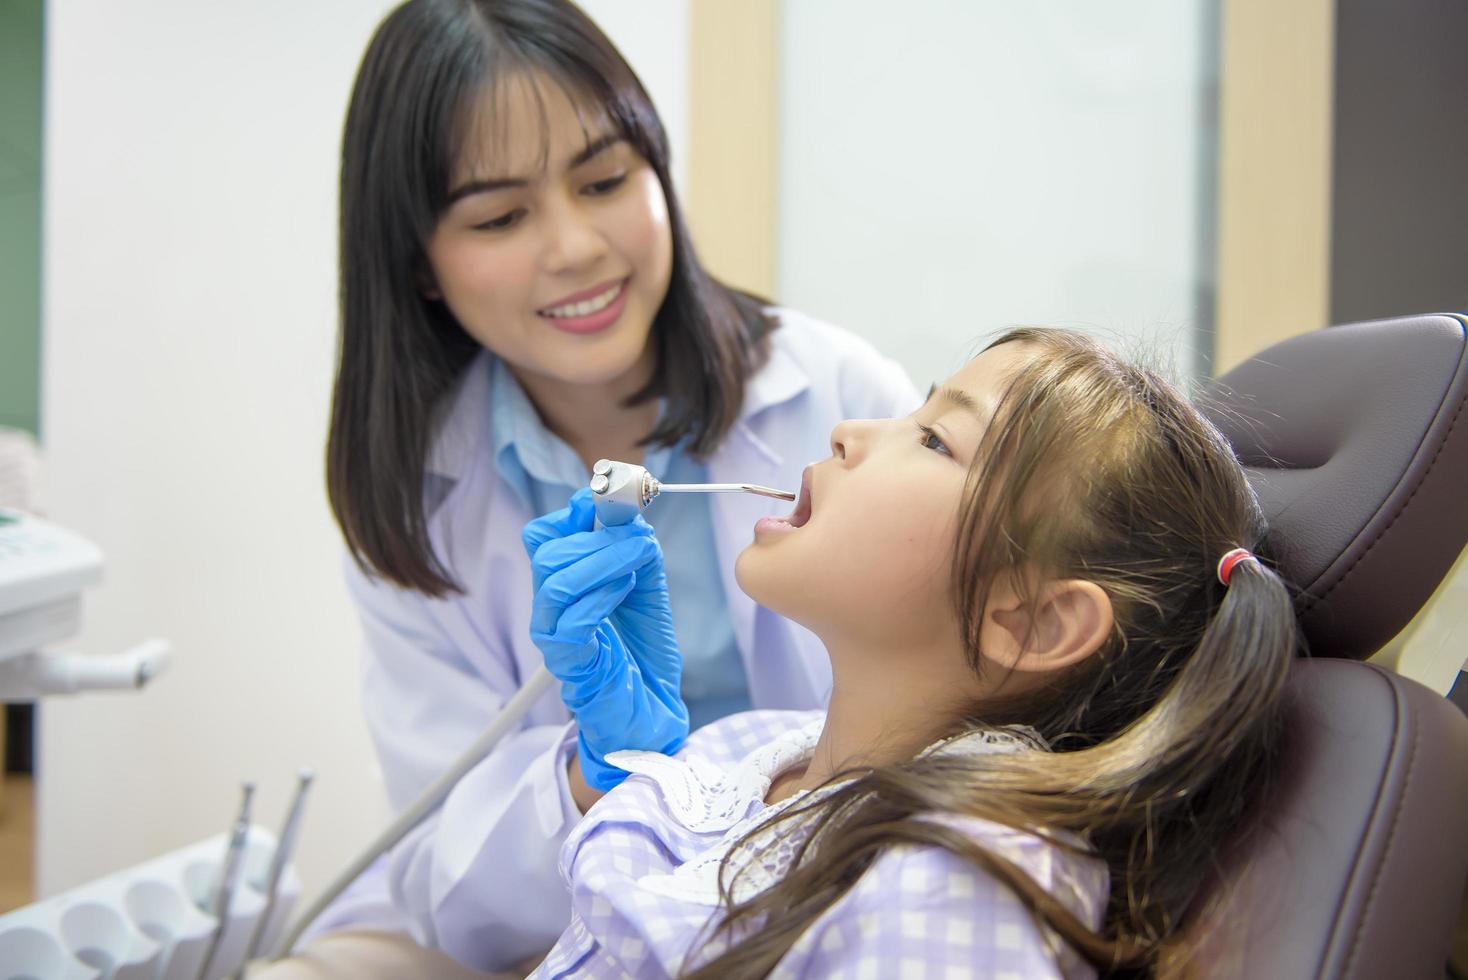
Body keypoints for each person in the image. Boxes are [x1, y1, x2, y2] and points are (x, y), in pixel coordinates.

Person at [268, 0, 918, 975]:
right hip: (569, 921)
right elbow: (443, 873)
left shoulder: (838, 396)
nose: (574, 246)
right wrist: (588, 773)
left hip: (831, 887)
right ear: (420, 268)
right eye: (498, 215)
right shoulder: (414, 500)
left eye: (606, 178)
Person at [520, 328, 1298, 978]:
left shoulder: (953, 889)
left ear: (1032, 622)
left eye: (933, 439)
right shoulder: (750, 751)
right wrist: (619, 762)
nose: (848, 433)